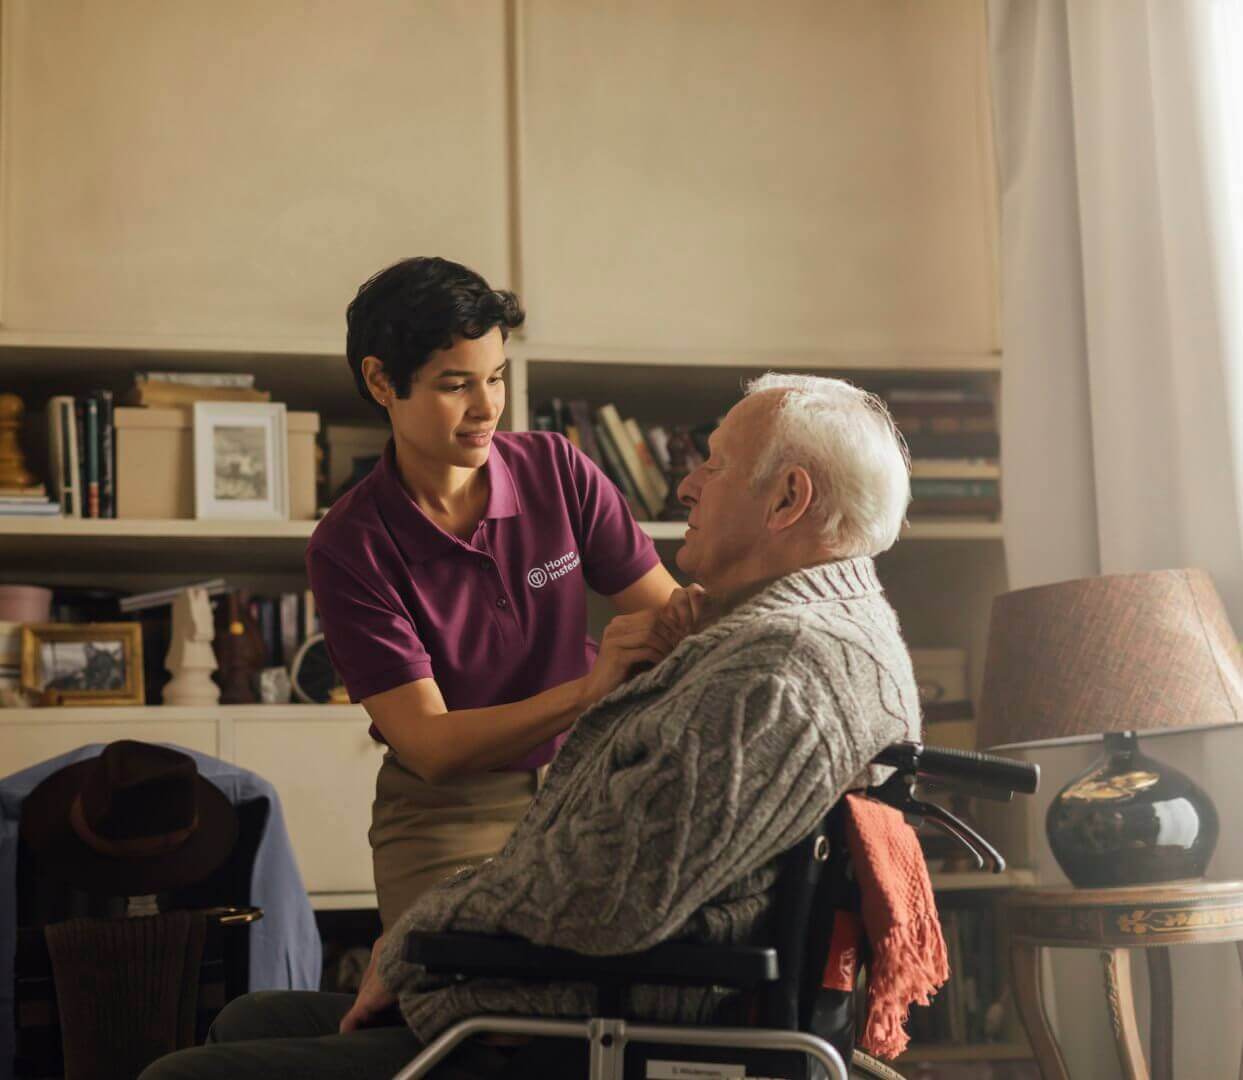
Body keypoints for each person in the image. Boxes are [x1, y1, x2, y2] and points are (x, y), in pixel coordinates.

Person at [141, 372, 922, 1080]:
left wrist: (419, 934)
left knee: (184, 1073)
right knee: (251, 1016)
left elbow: (610, 895)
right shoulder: (824, 631)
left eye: (711, 464)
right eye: (454, 383)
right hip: (609, 964)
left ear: (787, 500)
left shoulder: (776, 669)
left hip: (616, 1019)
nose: (685, 485)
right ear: (385, 385)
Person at [306, 257, 684, 929]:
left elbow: (673, 620)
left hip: (592, 780)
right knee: (452, 1010)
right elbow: (431, 745)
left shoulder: (558, 470)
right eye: (456, 385)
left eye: (496, 378)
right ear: (380, 381)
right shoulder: (350, 545)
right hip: (449, 814)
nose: (486, 408)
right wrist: (587, 692)